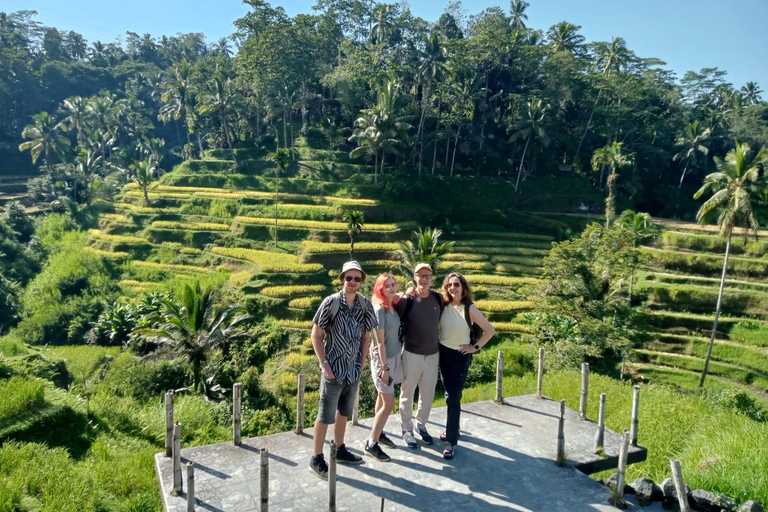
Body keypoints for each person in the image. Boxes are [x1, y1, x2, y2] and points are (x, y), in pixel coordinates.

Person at [309, 260, 377, 479]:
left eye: (357, 279)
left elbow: (367, 335)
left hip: (353, 369)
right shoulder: (330, 303)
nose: (353, 282)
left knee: (343, 412)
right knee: (324, 415)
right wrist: (324, 363)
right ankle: (317, 457)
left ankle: (339, 449)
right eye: (349, 278)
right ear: (342, 279)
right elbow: (316, 336)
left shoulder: (365, 305)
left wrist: (362, 360)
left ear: (361, 281)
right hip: (333, 369)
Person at [438, 272, 495, 459]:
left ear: (463, 288)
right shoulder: (444, 304)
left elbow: (490, 330)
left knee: (453, 397)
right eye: (449, 285)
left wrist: (475, 347)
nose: (452, 288)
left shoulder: (469, 308)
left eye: (456, 284)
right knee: (450, 394)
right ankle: (453, 429)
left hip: (460, 356)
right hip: (443, 354)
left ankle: (450, 442)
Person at [396, 263, 444, 449]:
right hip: (411, 354)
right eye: (420, 275)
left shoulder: (438, 299)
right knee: (407, 395)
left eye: (427, 275)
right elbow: (386, 305)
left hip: (433, 355)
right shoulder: (406, 300)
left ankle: (421, 425)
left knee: (428, 395)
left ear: (432, 277)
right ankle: (406, 429)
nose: (424, 279)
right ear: (414, 276)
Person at [364, 273, 404, 462]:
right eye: (386, 285)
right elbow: (379, 342)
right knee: (389, 404)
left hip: (392, 358)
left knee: (382, 399)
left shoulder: (391, 306)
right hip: (384, 361)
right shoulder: (379, 309)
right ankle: (371, 444)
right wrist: (385, 368)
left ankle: (378, 433)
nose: (391, 287)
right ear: (380, 289)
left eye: (393, 284)